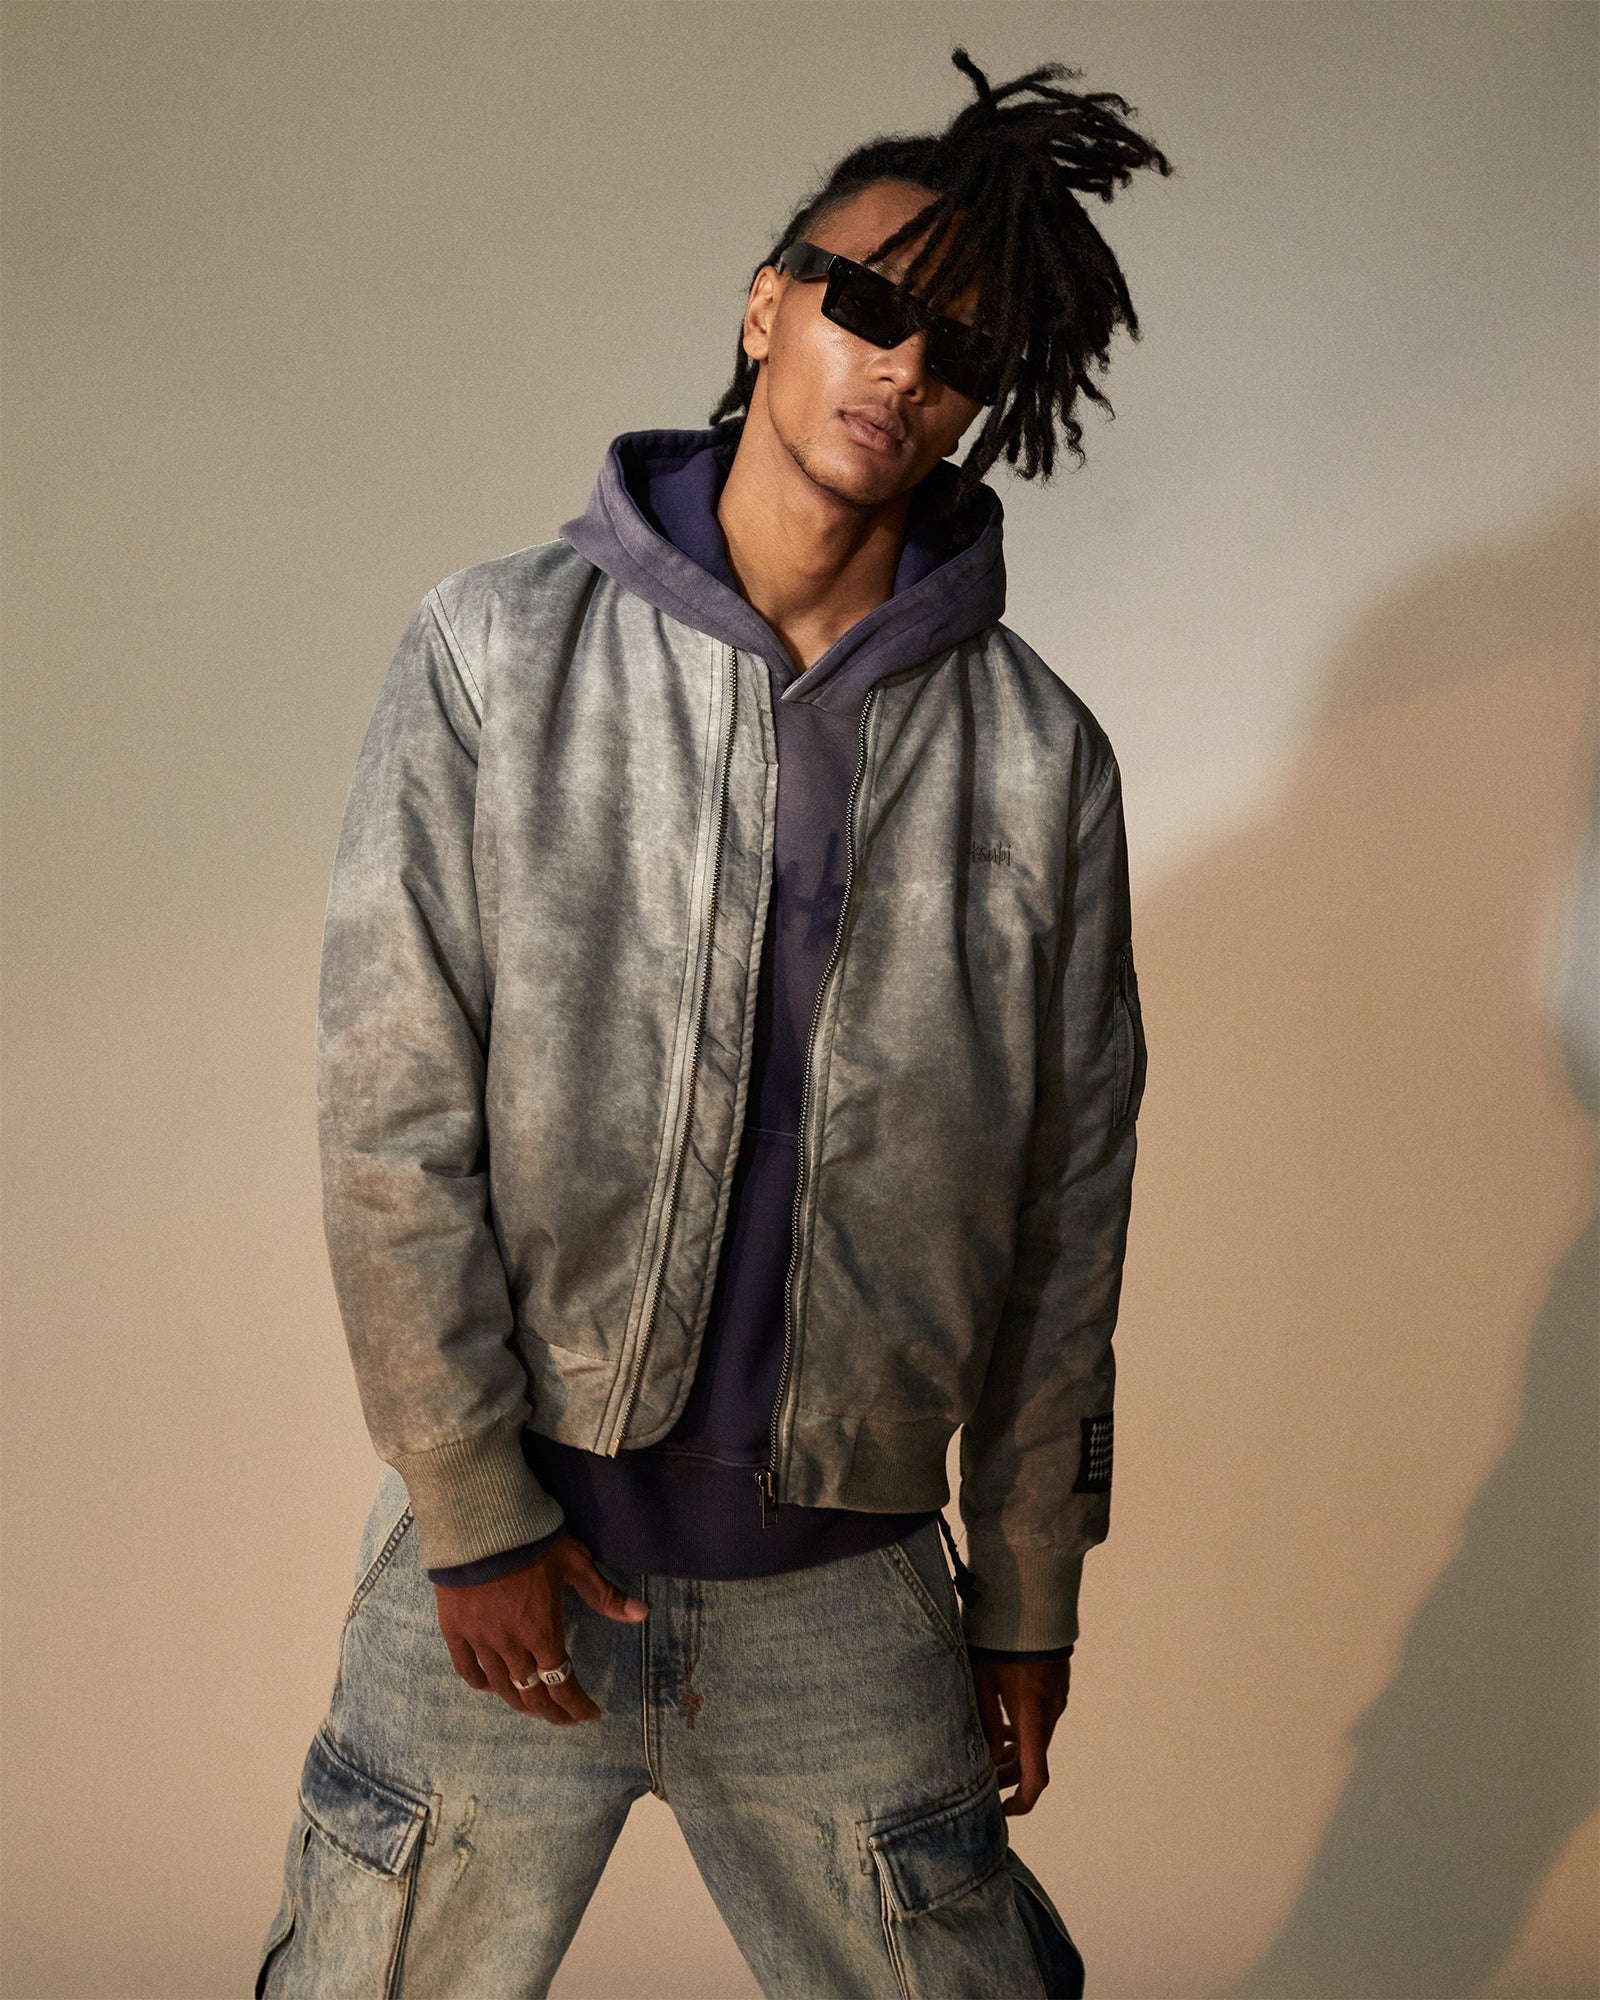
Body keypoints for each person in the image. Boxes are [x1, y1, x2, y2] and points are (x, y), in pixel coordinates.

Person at [256, 46, 1164, 2000]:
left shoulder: (1037, 763)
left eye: (961, 350)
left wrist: (1029, 1588)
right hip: (516, 1566)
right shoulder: (495, 653)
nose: (903, 365)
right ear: (768, 307)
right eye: (869, 302)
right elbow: (388, 1115)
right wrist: (471, 1510)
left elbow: (1065, 1218)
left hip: (842, 1592)